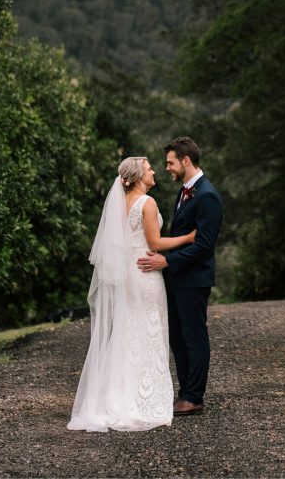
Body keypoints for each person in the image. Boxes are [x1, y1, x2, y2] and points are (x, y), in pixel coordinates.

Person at [68, 157, 195, 432]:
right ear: (138, 177)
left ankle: (119, 395)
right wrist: (188, 238)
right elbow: (155, 242)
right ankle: (144, 398)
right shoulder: (147, 203)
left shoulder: (119, 205)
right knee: (149, 331)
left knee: (128, 332)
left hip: (128, 275)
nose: (153, 172)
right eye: (149, 169)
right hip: (145, 274)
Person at [137, 137, 223, 416]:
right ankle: (184, 391)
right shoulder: (186, 191)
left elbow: (204, 246)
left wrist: (167, 260)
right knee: (177, 336)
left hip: (193, 278)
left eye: (171, 163)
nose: (168, 168)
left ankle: (194, 396)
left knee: (194, 336)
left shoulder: (207, 195)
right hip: (177, 277)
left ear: (186, 160)